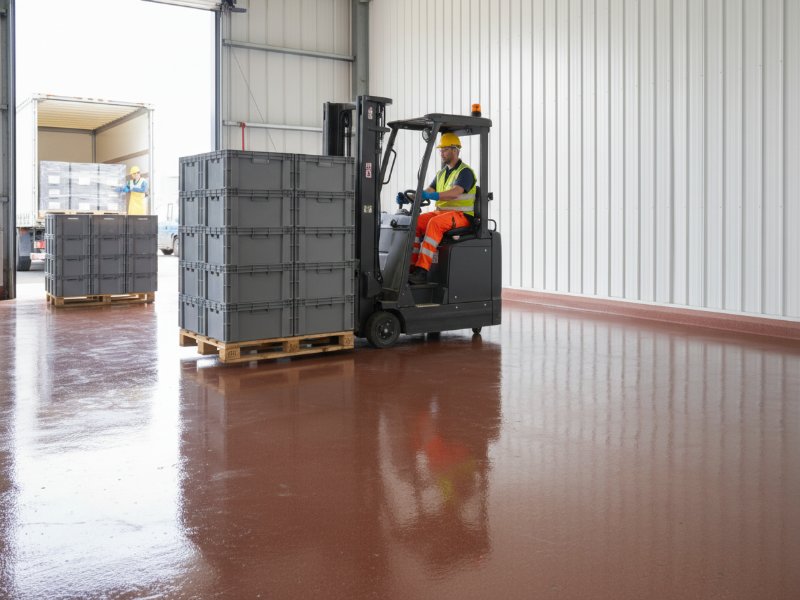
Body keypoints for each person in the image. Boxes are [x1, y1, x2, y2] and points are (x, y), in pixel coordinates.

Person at [398, 132, 476, 285]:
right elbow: (428, 191)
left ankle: (422, 271)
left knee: (434, 223)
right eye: (441, 149)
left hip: (462, 216)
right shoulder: (441, 174)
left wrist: (433, 196)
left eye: (445, 149)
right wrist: (409, 198)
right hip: (443, 214)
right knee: (416, 222)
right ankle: (412, 267)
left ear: (455, 150)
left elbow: (455, 193)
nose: (441, 152)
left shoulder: (465, 172)